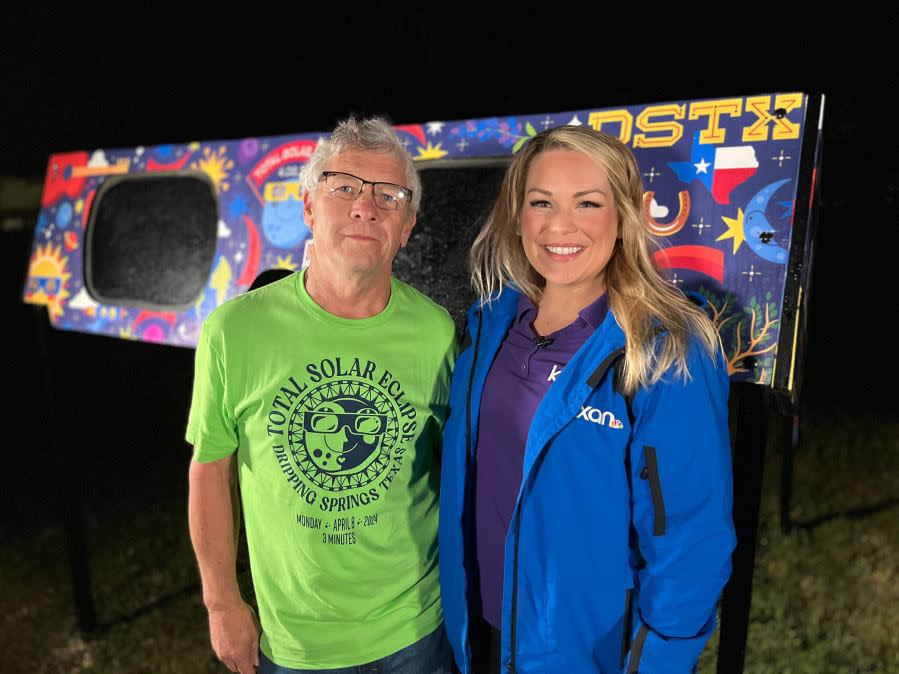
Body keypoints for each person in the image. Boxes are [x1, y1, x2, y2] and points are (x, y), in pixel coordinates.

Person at [438, 125, 735, 673]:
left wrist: (658, 664)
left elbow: (690, 542)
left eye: (588, 203)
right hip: (475, 635)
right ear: (518, 214)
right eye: (541, 202)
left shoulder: (668, 348)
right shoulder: (488, 325)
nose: (560, 226)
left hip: (585, 653)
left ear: (623, 217)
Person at [187, 116, 458, 674]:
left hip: (419, 629)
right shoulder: (234, 331)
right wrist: (221, 602)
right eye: (344, 188)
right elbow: (210, 467)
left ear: (407, 226)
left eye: (390, 195)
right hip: (297, 646)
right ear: (309, 207)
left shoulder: (437, 334)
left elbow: (452, 468)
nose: (367, 206)